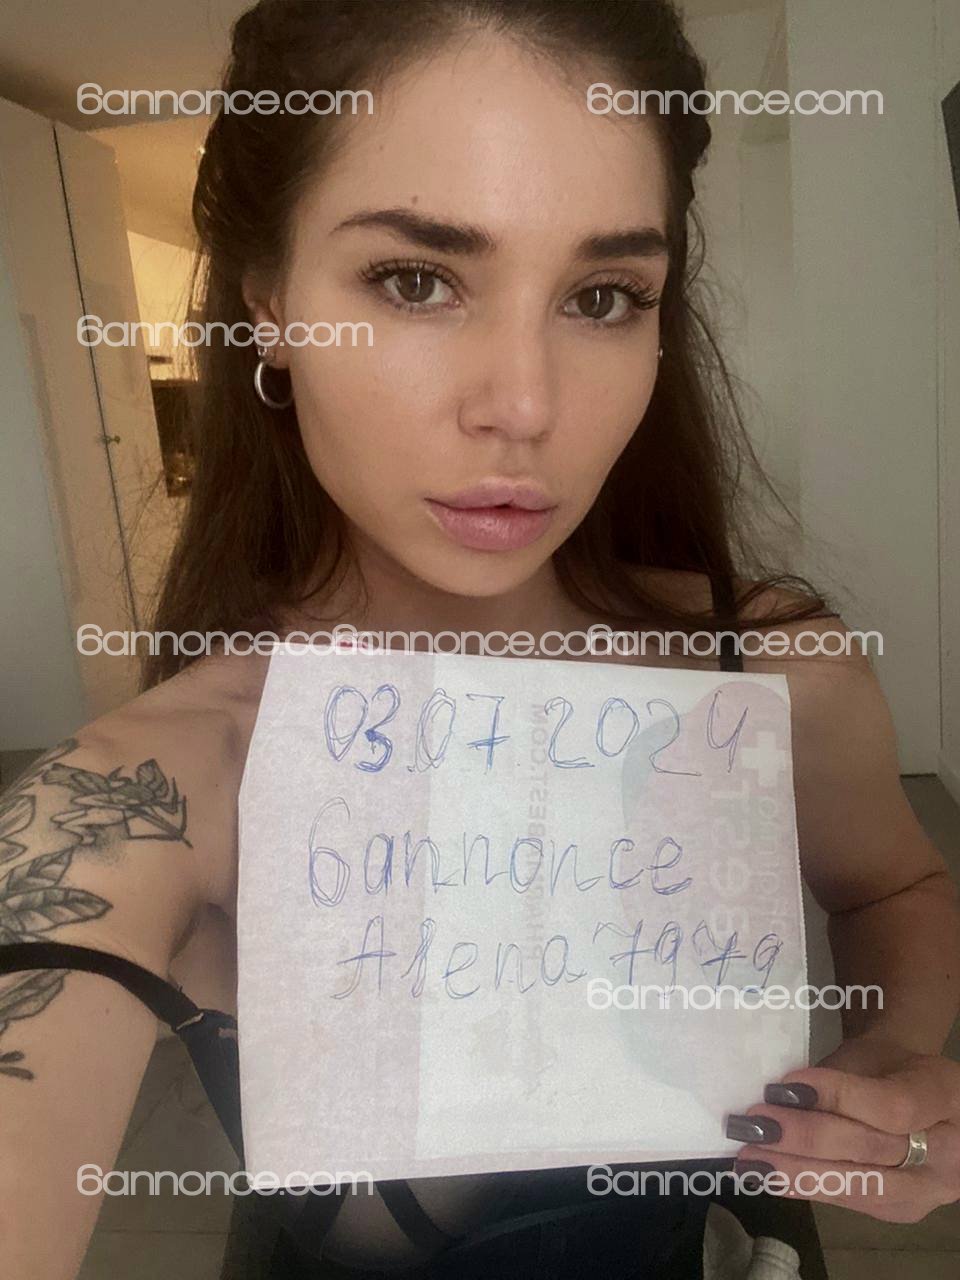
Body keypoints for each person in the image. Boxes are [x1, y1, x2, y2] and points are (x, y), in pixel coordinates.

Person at [2, 1, 959, 1277]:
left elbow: (896, 883)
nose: (525, 403)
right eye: (415, 280)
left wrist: (899, 1046)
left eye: (603, 296)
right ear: (269, 304)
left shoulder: (768, 669)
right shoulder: (160, 787)